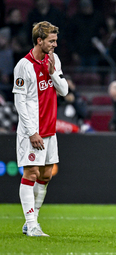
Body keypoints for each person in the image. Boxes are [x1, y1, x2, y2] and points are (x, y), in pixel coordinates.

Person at [13, 21, 68, 237]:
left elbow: (63, 90)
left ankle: (32, 220)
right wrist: (31, 132)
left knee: (45, 176)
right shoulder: (23, 66)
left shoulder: (53, 60)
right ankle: (32, 223)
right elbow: (19, 102)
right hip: (32, 131)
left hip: (50, 129)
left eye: (55, 40)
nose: (55, 44)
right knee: (31, 172)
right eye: (51, 41)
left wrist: (53, 72)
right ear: (39, 41)